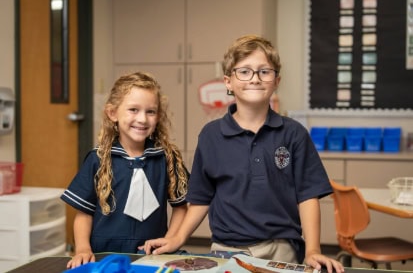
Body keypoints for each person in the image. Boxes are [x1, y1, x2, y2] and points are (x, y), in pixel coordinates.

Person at [141, 35, 344, 273]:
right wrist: (178, 238)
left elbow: (307, 196)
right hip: (226, 248)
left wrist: (312, 250)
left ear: (277, 80)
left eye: (264, 72)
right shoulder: (211, 135)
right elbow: (201, 198)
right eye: (244, 72)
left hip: (281, 248)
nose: (255, 79)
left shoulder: (294, 134)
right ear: (228, 82)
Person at [61, 71, 189, 269]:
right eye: (133, 110)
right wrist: (82, 249)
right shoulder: (98, 158)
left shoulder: (167, 157)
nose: (142, 119)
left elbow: (181, 207)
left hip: (151, 256)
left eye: (150, 112)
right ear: (113, 113)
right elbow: (84, 214)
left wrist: (170, 240)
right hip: (104, 256)